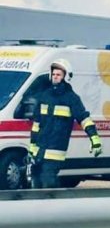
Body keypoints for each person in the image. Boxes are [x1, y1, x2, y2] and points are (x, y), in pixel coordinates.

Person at [28, 59, 102, 188]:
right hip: (40, 149)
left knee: (48, 179)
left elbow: (84, 119)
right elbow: (37, 124)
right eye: (54, 74)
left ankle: (52, 205)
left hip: (56, 149)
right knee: (35, 179)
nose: (55, 77)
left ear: (66, 77)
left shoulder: (71, 98)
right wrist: (32, 148)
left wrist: (94, 139)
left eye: (59, 75)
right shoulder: (44, 96)